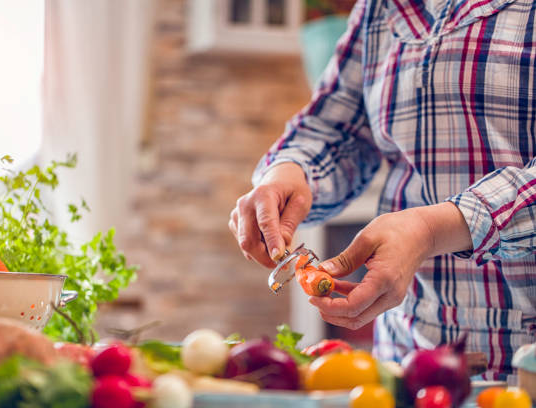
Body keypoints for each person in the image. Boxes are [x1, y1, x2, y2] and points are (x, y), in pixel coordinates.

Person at [228, 0, 536, 382]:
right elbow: (337, 127)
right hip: (406, 359)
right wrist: (289, 172)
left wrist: (429, 229)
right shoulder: (379, 8)